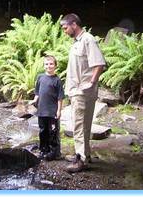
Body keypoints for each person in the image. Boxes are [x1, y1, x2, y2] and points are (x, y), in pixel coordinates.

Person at [61, 13, 106, 173]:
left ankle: (80, 160)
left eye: (65, 27)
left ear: (74, 24)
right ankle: (84, 154)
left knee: (79, 125)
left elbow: (99, 64)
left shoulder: (88, 39)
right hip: (76, 91)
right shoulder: (76, 43)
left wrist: (91, 83)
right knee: (83, 124)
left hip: (82, 91)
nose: (64, 31)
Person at [29, 55, 64, 161]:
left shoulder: (57, 80)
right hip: (42, 110)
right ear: (44, 66)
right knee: (43, 130)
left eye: (51, 64)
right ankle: (43, 150)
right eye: (47, 64)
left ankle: (55, 152)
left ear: (55, 66)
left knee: (53, 131)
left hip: (52, 111)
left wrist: (59, 110)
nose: (49, 66)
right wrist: (35, 100)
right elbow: (37, 92)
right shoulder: (40, 77)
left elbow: (60, 97)